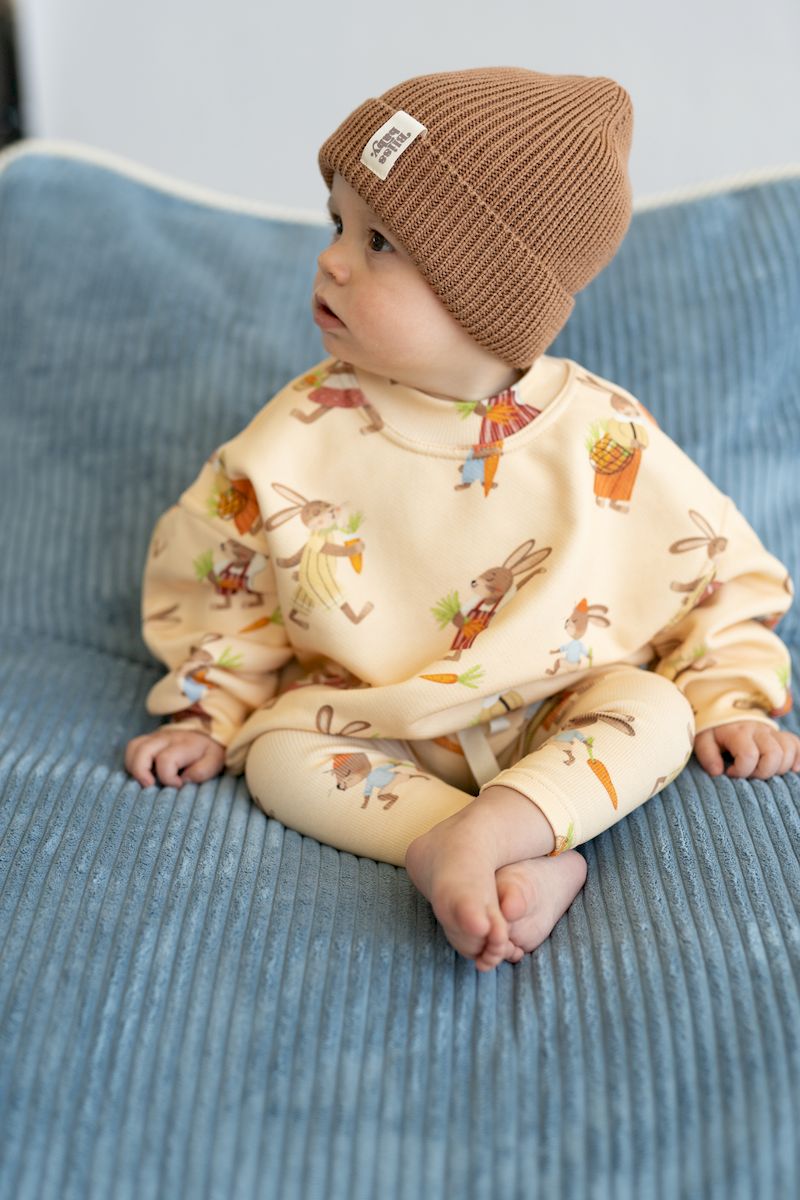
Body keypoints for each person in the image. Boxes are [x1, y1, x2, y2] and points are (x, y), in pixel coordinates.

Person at [125, 67, 799, 972]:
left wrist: (730, 698)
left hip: (556, 707)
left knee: (656, 712)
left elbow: (713, 575)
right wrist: (205, 712)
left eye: (380, 242)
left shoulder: (602, 433)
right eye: (336, 225)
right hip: (375, 721)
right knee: (278, 755)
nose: (332, 260)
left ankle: (498, 828)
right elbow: (224, 575)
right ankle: (491, 846)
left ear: (487, 293)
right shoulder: (296, 435)